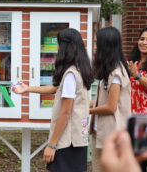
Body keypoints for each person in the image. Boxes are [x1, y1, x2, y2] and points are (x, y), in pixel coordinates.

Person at [13, 28, 93, 172]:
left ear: (65, 47)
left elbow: (65, 113)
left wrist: (52, 145)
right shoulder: (80, 70)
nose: (57, 48)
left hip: (66, 141)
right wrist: (27, 88)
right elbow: (54, 88)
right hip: (79, 138)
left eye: (59, 44)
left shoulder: (70, 75)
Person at [90, 26, 131, 172]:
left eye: (97, 43)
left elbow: (111, 107)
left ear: (105, 46)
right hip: (102, 132)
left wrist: (87, 110)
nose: (95, 47)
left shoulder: (116, 73)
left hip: (112, 135)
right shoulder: (109, 71)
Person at [128, 26, 147, 172]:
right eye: (142, 39)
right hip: (133, 119)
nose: (144, 42)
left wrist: (138, 76)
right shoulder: (133, 63)